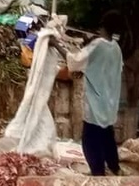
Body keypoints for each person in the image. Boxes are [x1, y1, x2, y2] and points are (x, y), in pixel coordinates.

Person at [52, 13, 123, 176]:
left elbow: (74, 61)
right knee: (107, 138)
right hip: (109, 103)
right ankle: (114, 168)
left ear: (102, 27)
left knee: (91, 142)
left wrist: (55, 43)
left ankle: (98, 173)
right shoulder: (116, 48)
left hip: (95, 103)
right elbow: (106, 69)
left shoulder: (97, 45)